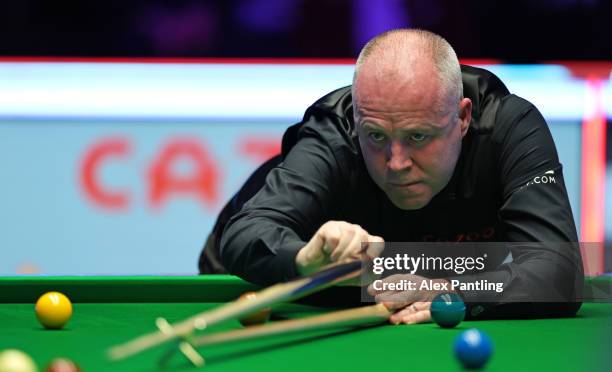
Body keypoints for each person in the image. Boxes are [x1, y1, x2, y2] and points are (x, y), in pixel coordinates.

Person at [200, 28, 583, 323]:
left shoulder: (508, 128)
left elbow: (558, 269)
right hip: (273, 282)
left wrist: (454, 291)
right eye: (377, 136)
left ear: (463, 118)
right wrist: (304, 259)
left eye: (418, 136)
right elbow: (245, 232)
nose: (396, 162)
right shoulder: (335, 132)